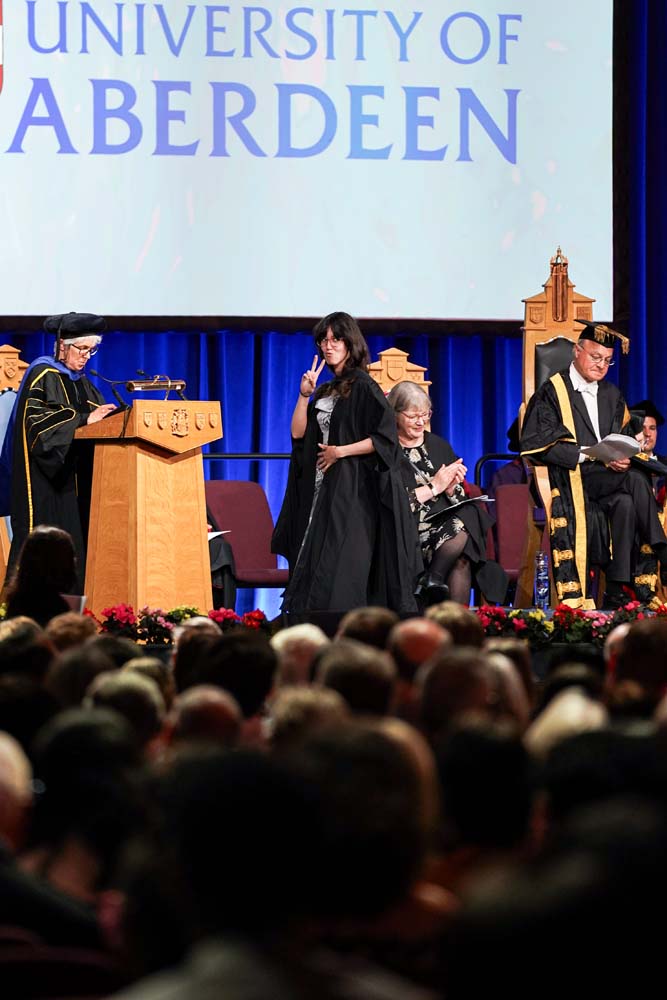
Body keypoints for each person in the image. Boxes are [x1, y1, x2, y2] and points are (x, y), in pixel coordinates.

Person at [272, 312, 420, 614]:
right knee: (311, 554)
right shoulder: (327, 389)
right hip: (320, 484)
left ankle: (339, 623)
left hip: (351, 488)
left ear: (350, 343)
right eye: (323, 340)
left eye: (335, 339)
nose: (328, 346)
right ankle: (308, 620)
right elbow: (298, 434)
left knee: (338, 564)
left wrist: (340, 452)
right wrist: (304, 396)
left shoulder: (364, 386)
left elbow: (385, 439)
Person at [520, 320, 667, 607]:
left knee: (626, 502)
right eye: (596, 357)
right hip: (573, 475)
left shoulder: (611, 394)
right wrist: (590, 454)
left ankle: (615, 587)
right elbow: (538, 442)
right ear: (577, 351)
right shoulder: (552, 391)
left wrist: (626, 449)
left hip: (611, 477)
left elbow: (623, 435)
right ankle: (661, 548)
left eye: (608, 361)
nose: (601, 365)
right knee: (635, 481)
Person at [0, 312, 117, 590]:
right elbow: (39, 427)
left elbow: (96, 419)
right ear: (63, 345)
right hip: (47, 483)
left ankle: (76, 608)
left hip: (76, 483)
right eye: (82, 348)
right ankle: (27, 607)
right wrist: (83, 419)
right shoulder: (43, 374)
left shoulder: (82, 382)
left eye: (92, 350)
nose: (87, 356)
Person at [386, 381, 507, 606]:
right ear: (395, 414)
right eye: (413, 416)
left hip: (443, 524)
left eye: (425, 414)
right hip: (405, 527)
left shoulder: (438, 445)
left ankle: (434, 582)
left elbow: (458, 497)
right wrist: (434, 487)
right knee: (462, 553)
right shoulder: (387, 450)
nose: (420, 422)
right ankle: (437, 587)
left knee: (465, 523)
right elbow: (391, 503)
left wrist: (451, 489)